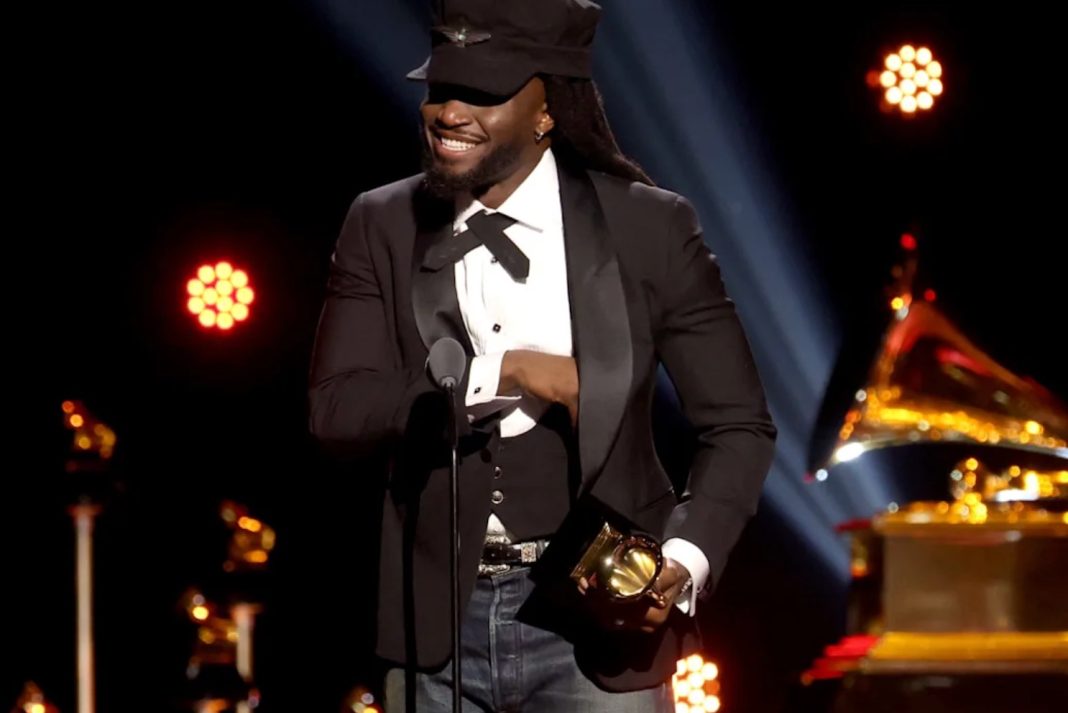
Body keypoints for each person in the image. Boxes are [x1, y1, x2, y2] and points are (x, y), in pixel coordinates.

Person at [307, 0, 776, 710]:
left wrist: (682, 561)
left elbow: (739, 425)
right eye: (439, 90)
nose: (449, 112)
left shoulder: (650, 226)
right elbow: (335, 408)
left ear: (547, 109)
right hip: (436, 632)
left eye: (484, 94)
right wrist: (507, 372)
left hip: (597, 630)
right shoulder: (381, 223)